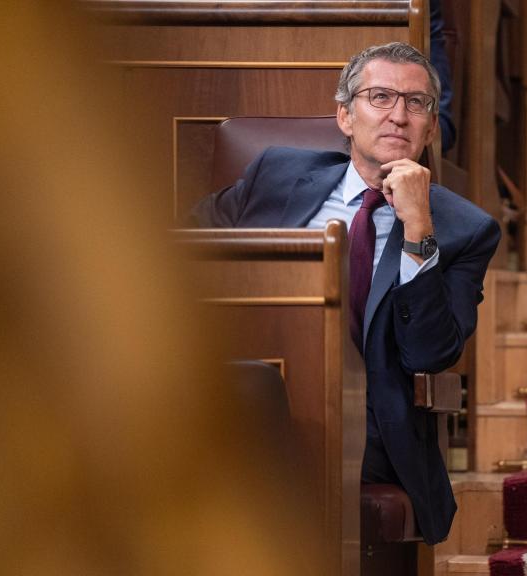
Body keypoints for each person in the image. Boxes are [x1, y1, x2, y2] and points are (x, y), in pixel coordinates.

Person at [191, 42, 501, 544]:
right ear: (344, 116)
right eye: (380, 97)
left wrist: (419, 228)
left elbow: (429, 351)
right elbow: (181, 252)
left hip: (368, 422)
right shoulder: (277, 174)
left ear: (431, 127)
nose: (398, 115)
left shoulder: (466, 229)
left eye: (416, 103)